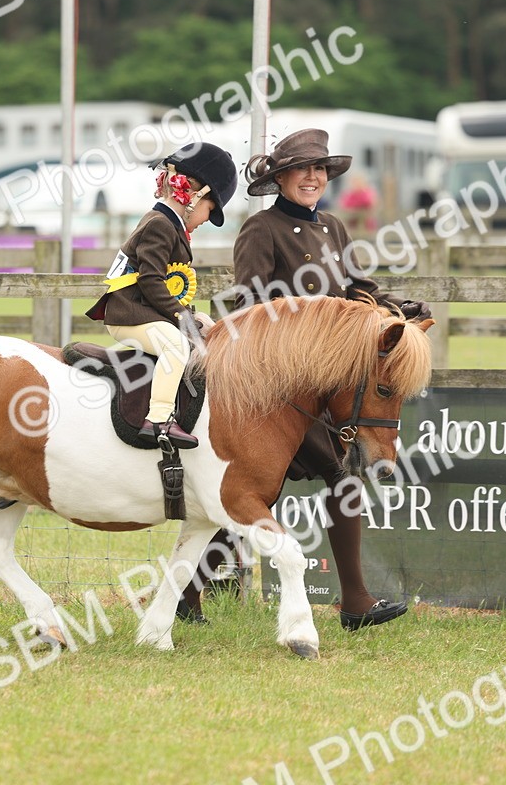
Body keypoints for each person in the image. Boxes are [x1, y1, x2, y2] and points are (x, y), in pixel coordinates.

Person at [179, 128, 432, 630]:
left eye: (320, 169)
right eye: (302, 169)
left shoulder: (335, 228)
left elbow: (359, 292)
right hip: (275, 387)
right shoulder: (261, 230)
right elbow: (250, 307)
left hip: (322, 391)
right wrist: (312, 321)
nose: (313, 177)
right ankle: (354, 603)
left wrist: (398, 308)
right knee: (285, 485)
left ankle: (188, 595)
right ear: (280, 178)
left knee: (275, 489)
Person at [85, 142, 238, 449]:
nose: (208, 218)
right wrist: (184, 319)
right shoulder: (160, 225)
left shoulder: (166, 224)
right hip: (128, 314)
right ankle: (159, 420)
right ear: (194, 196)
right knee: (176, 344)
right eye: (211, 209)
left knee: (197, 331)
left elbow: (165, 288)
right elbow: (153, 281)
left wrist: (194, 316)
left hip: (143, 311)